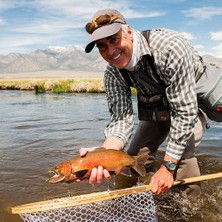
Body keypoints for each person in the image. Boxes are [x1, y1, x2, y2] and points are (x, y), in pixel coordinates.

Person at [80, 8, 208, 196]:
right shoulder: (112, 73)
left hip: (191, 103)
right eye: (101, 46)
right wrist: (103, 154)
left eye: (114, 39)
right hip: (159, 105)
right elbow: (120, 120)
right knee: (132, 158)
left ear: (129, 32)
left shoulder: (169, 47)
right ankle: (132, 197)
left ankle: (192, 209)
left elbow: (184, 113)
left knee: (181, 160)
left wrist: (167, 167)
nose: (111, 51)